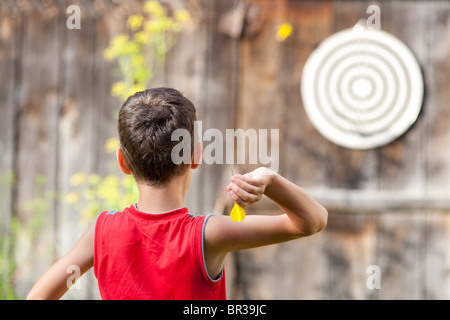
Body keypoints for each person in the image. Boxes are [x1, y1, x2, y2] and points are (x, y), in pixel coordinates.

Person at [26, 88, 327, 300]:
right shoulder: (208, 236)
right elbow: (311, 221)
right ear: (195, 155)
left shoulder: (100, 233)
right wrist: (269, 178)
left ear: (122, 162)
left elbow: (38, 296)